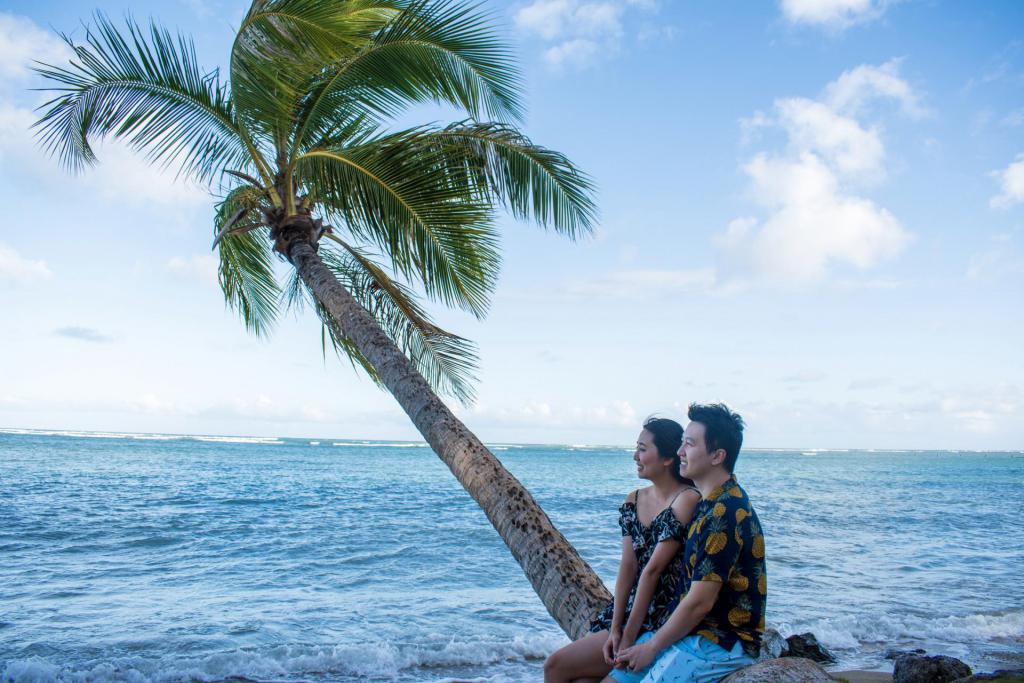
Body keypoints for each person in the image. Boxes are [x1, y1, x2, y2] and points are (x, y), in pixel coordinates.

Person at [609, 403, 765, 683]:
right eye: (682, 443)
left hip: (720, 641)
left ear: (717, 456)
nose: (680, 452)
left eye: (689, 445)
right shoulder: (708, 502)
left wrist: (651, 647)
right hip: (689, 632)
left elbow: (700, 602)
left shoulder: (725, 512)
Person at [544, 417, 702, 683]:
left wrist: (626, 636)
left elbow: (652, 571)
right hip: (628, 612)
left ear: (667, 458)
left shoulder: (687, 499)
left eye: (642, 449)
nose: (635, 456)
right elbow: (628, 566)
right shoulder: (634, 498)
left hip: (660, 618)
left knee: (555, 666)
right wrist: (615, 627)